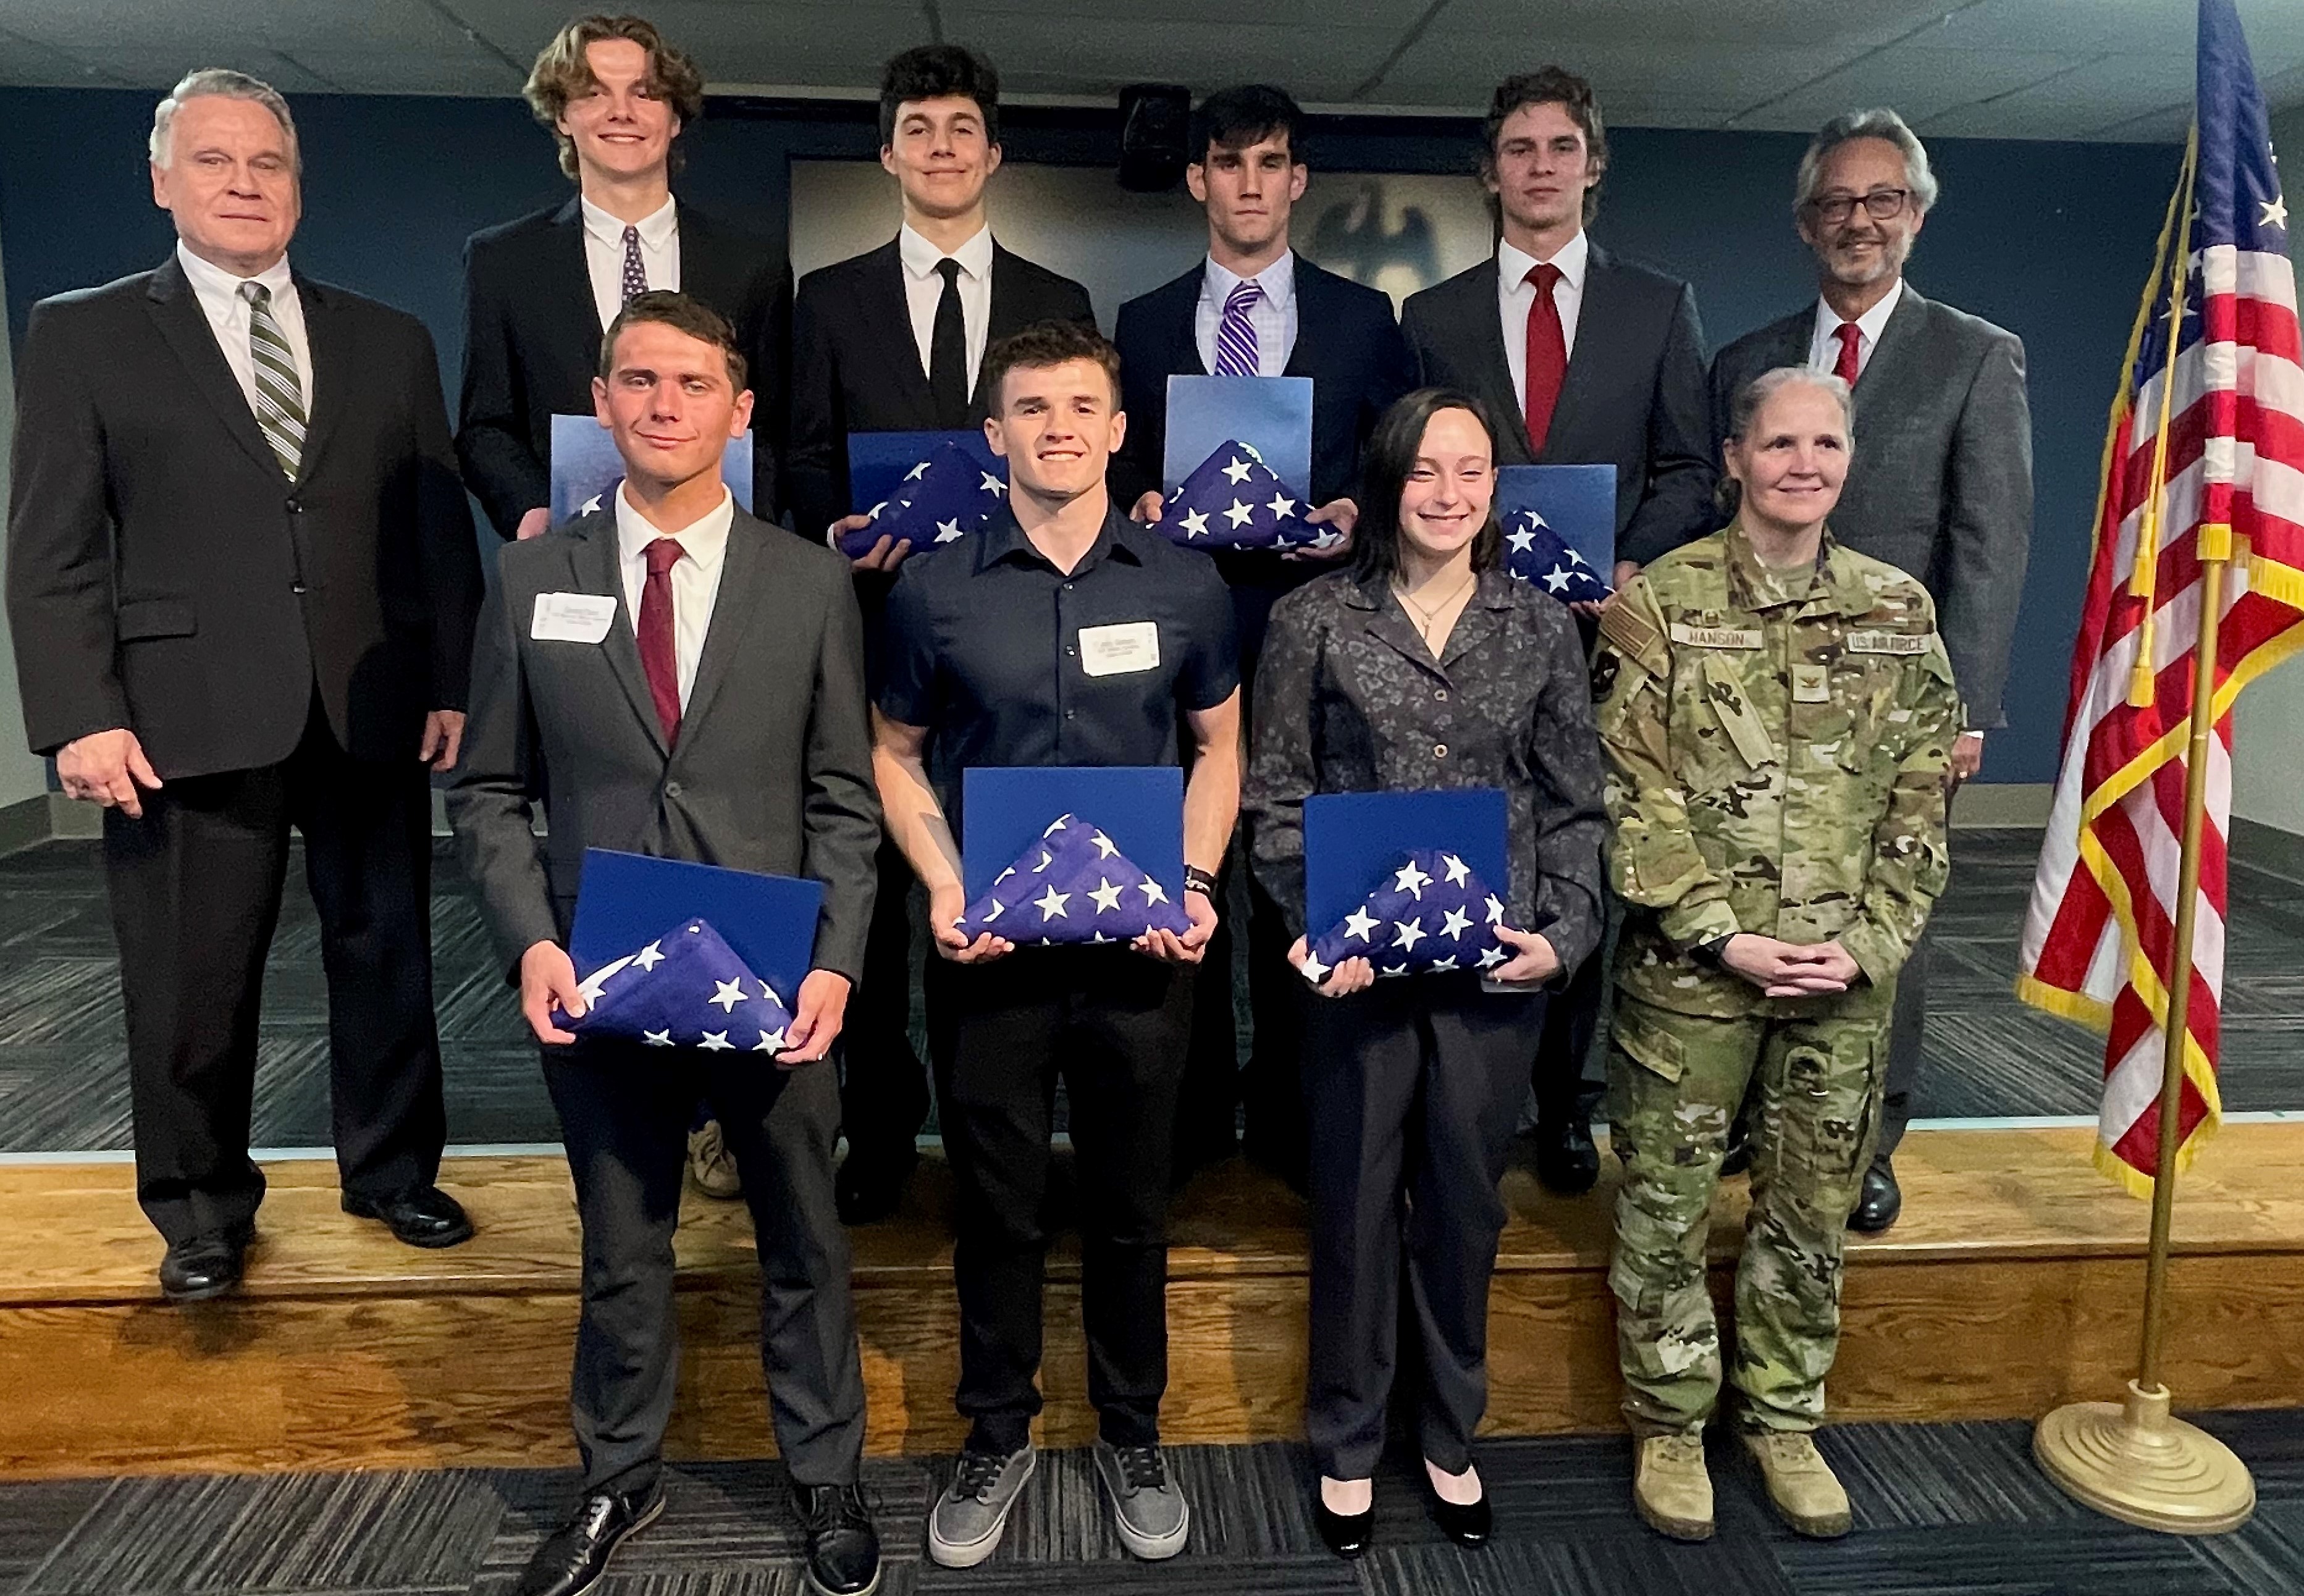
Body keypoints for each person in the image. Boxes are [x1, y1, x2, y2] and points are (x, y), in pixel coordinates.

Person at [5, 70, 483, 1302]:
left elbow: (433, 530)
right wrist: (80, 713)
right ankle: (201, 1209)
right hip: (182, 711)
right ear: (162, 182)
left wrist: (449, 678)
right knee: (190, 975)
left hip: (369, 698)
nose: (243, 183)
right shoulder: (84, 333)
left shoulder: (387, 338)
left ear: (298, 189)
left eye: (268, 162)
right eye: (214, 160)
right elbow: (52, 546)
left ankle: (392, 1172)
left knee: (388, 953)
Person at [447, 292, 883, 1596]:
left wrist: (836, 958)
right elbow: (486, 789)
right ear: (601, 401)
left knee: (802, 1235)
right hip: (598, 975)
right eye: (638, 380)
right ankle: (615, 1475)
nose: (663, 405)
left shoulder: (807, 580)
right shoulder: (533, 578)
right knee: (621, 1243)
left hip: (774, 976)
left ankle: (825, 1470)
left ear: (738, 413)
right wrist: (529, 941)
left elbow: (842, 795)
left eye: (693, 384)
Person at [872, 321, 1238, 1568]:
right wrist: (940, 882)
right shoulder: (932, 588)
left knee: (1132, 1206)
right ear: (995, 434)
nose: (1058, 428)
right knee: (999, 1205)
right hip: (991, 955)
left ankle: (1133, 1431)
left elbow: (1220, 746)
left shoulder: (1185, 582)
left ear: (1119, 429)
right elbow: (894, 751)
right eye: (1031, 408)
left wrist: (1195, 878)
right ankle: (995, 1432)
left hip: (1142, 954)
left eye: (1082, 406)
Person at [1596, 367, 1957, 1545]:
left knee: (1809, 1212)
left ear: (1848, 459)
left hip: (1840, 986)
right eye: (1780, 443)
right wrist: (1723, 931)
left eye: (1825, 444)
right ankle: (1667, 1423)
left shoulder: (1897, 609)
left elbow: (1921, 804)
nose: (1804, 464)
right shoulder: (1663, 601)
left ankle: (1783, 1419)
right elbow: (1630, 791)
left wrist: (1866, 945)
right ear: (1736, 458)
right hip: (1693, 980)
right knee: (1664, 1206)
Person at [1245, 388, 1604, 1559]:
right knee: (1352, 1207)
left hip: (1495, 967)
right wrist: (1311, 927)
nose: (1448, 494)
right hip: (1358, 972)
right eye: (1424, 471)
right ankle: (1347, 1441)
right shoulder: (1312, 617)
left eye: (1471, 471)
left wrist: (1564, 932)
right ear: (1387, 479)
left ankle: (1449, 1434)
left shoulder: (1540, 624)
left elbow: (1574, 803)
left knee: (1462, 1207)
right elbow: (1276, 796)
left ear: (1496, 487)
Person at [457, 12, 795, 1205]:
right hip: (577, 586)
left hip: (718, 577)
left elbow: (779, 427)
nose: (620, 111)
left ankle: (721, 1094)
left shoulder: (750, 258)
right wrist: (527, 516)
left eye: (643, 90)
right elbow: (482, 422)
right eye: (594, 91)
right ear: (562, 114)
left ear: (673, 112)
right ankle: (632, 1082)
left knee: (725, 816)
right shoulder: (505, 259)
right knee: (610, 820)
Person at [1708, 108, 2032, 1232]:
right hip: (1750, 702)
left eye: (1882, 200)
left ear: (1916, 216)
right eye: (1837, 202)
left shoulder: (1974, 356)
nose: (1859, 221)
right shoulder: (1745, 360)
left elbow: (1989, 544)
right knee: (1755, 895)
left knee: (1887, 914)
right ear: (1806, 223)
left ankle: (1870, 1136)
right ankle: (1754, 1113)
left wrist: (1966, 708)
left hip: (1897, 706)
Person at [788, 42, 1095, 1225]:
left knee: (1011, 870)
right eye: (918, 129)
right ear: (888, 155)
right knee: (868, 881)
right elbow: (803, 455)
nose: (942, 148)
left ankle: (1008, 1133)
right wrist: (838, 525)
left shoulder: (1057, 301)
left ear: (994, 152)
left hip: (1021, 639)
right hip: (874, 627)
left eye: (962, 128)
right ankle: (877, 1127)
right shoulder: (829, 299)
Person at [1399, 65, 1715, 1197]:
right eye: (1519, 149)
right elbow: (1408, 468)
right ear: (1489, 172)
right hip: (1466, 633)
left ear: (1593, 165)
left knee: (1580, 854)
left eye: (1560, 147)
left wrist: (1629, 559)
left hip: (1600, 635)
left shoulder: (1657, 305)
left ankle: (1568, 1099)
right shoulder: (1430, 318)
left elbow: (1689, 467)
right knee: (1481, 843)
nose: (1540, 167)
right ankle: (1468, 1088)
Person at [1113, 83, 1415, 1191]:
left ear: (1297, 181)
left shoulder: (1363, 319)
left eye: (1270, 163)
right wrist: (1140, 499)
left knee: (1296, 868)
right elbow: (1119, 461)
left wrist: (1355, 511)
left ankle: (1293, 1116)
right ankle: (1191, 1118)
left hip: (1314, 627)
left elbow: (1391, 461)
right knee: (1183, 867)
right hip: (1180, 625)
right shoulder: (1142, 321)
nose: (1249, 184)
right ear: (1198, 180)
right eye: (1228, 164)